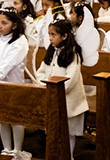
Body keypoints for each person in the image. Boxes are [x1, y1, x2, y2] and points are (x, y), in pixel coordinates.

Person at [37, 20, 88, 158]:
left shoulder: (73, 54)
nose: (50, 38)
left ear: (64, 36)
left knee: (68, 131)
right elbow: (41, 71)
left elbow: (71, 78)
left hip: (69, 101)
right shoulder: (51, 51)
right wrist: (43, 85)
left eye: (53, 34)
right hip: (52, 97)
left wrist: (56, 90)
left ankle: (68, 156)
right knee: (54, 130)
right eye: (49, 34)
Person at [0, 5, 29, 157]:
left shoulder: (21, 41)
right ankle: (6, 147)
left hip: (13, 83)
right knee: (2, 117)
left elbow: (11, 61)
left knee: (15, 117)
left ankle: (17, 148)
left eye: (4, 23)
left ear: (15, 25)